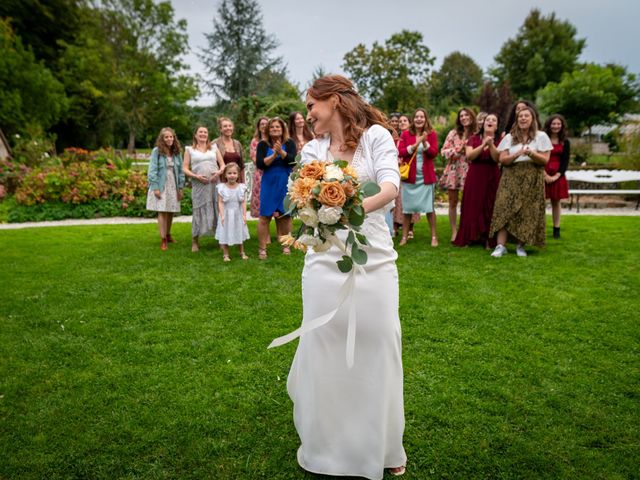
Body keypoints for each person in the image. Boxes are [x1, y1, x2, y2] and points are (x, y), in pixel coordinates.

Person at [276, 74, 406, 480]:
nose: (307, 113)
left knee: (378, 341)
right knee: (325, 343)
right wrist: (314, 213)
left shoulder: (376, 138)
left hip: (374, 258)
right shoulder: (312, 149)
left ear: (333, 101)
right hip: (323, 262)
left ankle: (384, 445)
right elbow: (301, 197)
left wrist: (348, 207)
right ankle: (326, 444)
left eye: (311, 105)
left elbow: (390, 187)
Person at [490, 106, 552, 257]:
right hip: (510, 177)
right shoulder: (509, 137)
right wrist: (517, 154)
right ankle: (500, 246)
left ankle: (520, 246)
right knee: (504, 209)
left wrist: (531, 153)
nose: (523, 118)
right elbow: (502, 160)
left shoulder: (541, 136)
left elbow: (544, 160)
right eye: (520, 116)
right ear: (517, 120)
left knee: (526, 211)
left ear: (533, 119)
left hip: (532, 178)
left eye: (526, 116)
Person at [453, 113, 501, 248]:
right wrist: (483, 145)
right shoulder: (474, 138)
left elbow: (497, 158)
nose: (490, 121)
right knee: (472, 205)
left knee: (490, 204)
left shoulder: (500, 140)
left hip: (492, 175)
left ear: (497, 126)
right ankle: (470, 237)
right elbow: (470, 156)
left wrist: (491, 145)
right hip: (475, 175)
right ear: (483, 124)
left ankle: (488, 239)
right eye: (488, 120)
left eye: (494, 120)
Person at [255, 117, 297, 259]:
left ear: (282, 129)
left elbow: (292, 161)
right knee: (264, 217)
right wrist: (274, 154)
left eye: (277, 127)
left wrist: (282, 152)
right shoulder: (263, 144)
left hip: (285, 182)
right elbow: (260, 164)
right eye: (272, 127)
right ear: (268, 129)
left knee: (285, 216)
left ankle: (286, 246)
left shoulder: (290, 143)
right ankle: (262, 249)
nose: (275, 129)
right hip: (269, 182)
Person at [398, 108, 439, 247]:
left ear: (426, 119)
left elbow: (434, 153)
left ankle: (434, 236)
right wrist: (415, 144)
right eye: (416, 117)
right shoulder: (405, 134)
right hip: (410, 178)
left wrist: (425, 142)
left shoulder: (431, 134)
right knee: (407, 209)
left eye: (422, 117)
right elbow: (401, 152)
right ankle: (404, 236)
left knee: (429, 209)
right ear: (413, 119)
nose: (419, 119)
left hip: (426, 178)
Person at [183, 125, 225, 252]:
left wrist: (218, 173)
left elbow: (222, 164)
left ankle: (220, 240)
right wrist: (196, 176)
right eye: (200, 132)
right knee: (198, 209)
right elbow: (184, 168)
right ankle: (195, 241)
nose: (203, 134)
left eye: (205, 132)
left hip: (214, 183)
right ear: (195, 135)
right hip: (199, 185)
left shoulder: (214, 148)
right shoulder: (189, 149)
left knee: (217, 209)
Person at [146, 127, 185, 250]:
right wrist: (155, 187)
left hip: (173, 184)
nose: (169, 139)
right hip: (161, 185)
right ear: (162, 139)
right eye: (166, 137)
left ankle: (168, 235)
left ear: (174, 138)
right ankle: (163, 239)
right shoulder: (156, 151)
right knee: (162, 210)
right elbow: (152, 171)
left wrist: (180, 188)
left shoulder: (177, 152)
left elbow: (180, 172)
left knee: (171, 211)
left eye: (171, 137)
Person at [440, 107, 476, 241]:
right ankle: (454, 231)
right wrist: (458, 150)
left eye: (467, 115)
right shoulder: (454, 133)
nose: (464, 118)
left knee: (470, 202)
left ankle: (468, 230)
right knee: (452, 201)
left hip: (472, 170)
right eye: (461, 116)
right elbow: (444, 152)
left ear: (472, 116)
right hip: (455, 170)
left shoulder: (477, 133)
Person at [215, 163, 249, 261]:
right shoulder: (222, 188)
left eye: (234, 173)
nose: (232, 175)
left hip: (237, 214)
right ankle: (226, 254)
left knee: (239, 232)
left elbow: (243, 202)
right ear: (225, 175)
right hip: (226, 214)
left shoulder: (241, 187)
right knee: (226, 233)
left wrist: (244, 215)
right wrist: (222, 215)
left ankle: (242, 252)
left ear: (238, 175)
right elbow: (220, 203)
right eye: (229, 173)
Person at [543, 114, 570, 239]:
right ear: (549, 125)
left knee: (556, 202)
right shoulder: (542, 139)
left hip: (558, 174)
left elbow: (565, 161)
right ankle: (540, 228)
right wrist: (544, 174)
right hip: (543, 172)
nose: (556, 126)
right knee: (540, 202)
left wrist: (556, 176)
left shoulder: (565, 141)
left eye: (558, 124)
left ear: (562, 125)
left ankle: (556, 229)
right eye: (553, 123)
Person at [393, 113, 420, 238]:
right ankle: (396, 226)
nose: (402, 123)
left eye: (405, 121)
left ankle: (410, 228)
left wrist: (405, 151)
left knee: (409, 199)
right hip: (397, 170)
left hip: (409, 170)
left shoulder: (413, 136)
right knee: (397, 199)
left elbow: (404, 152)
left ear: (410, 123)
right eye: (400, 121)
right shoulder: (396, 137)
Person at [215, 117, 245, 183]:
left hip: (237, 181)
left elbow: (242, 165)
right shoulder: (215, 143)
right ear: (220, 129)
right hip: (221, 181)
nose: (228, 128)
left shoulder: (237, 144)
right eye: (225, 126)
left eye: (230, 126)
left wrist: (243, 183)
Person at [249, 116, 269, 219]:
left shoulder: (272, 139)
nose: (264, 126)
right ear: (259, 127)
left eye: (266, 123)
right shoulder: (255, 141)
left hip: (272, 172)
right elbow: (254, 158)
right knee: (261, 198)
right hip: (260, 173)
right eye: (262, 124)